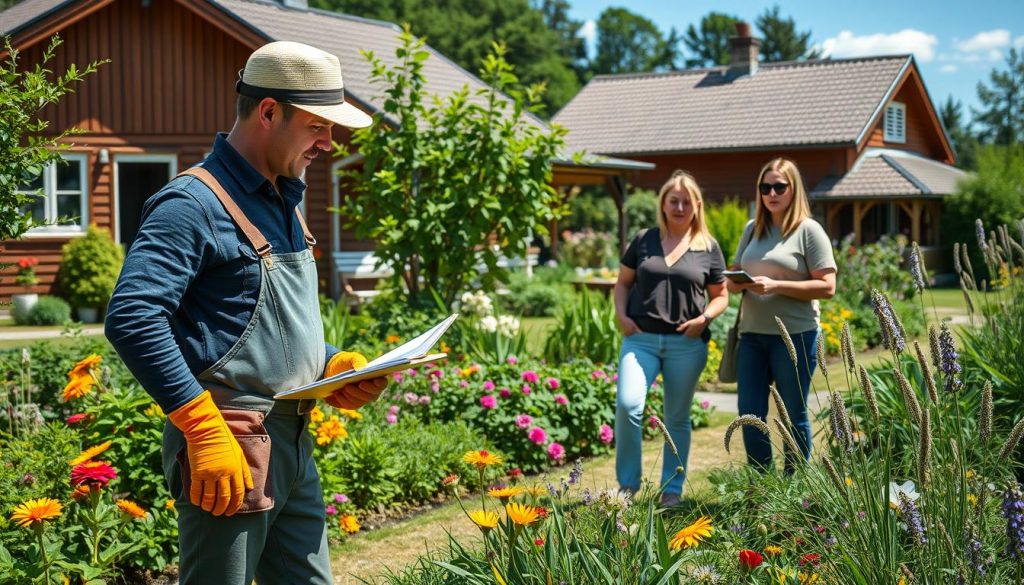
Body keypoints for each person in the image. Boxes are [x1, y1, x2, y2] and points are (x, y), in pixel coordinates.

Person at [105, 41, 389, 585]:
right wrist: (200, 428)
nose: (329, 143)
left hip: (295, 442)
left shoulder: (283, 197)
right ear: (268, 112)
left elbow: (248, 322)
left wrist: (331, 365)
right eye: (317, 127)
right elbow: (133, 316)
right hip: (231, 444)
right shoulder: (192, 205)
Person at [613, 170, 729, 507]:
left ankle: (671, 490)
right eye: (672, 200)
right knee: (628, 404)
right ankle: (628, 487)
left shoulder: (708, 247)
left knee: (676, 417)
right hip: (641, 340)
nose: (679, 207)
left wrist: (705, 317)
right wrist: (621, 315)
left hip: (686, 344)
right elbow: (622, 283)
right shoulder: (643, 239)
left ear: (697, 206)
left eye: (686, 201)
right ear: (663, 204)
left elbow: (721, 295)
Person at [726, 157, 836, 472]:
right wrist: (735, 283)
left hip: (795, 338)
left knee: (793, 414)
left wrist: (776, 285)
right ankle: (763, 488)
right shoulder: (752, 229)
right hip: (752, 336)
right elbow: (736, 272)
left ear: (793, 189)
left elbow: (828, 287)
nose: (771, 193)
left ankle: (794, 489)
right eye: (765, 187)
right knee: (749, 415)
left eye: (779, 186)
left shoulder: (808, 231)